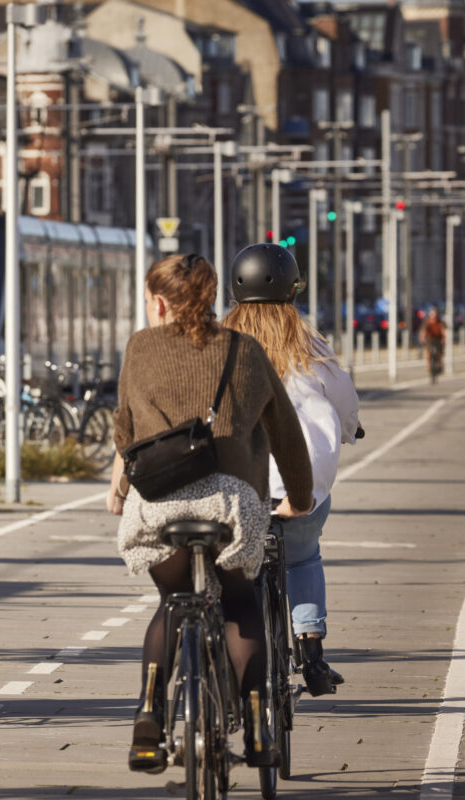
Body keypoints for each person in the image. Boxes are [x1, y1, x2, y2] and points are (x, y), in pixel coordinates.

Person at [107, 253, 313, 773]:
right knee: (241, 605)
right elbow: (285, 431)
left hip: (161, 503)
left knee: (173, 600)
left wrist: (123, 485)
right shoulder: (243, 349)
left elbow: (125, 430)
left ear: (158, 301)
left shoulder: (140, 347)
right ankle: (260, 726)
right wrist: (302, 496)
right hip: (232, 503)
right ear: (212, 296)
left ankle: (150, 714)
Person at [221, 244, 361, 697]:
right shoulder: (309, 343)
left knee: (229, 566)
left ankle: (228, 651)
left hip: (236, 488)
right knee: (303, 556)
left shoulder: (219, 342)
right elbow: (343, 398)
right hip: (301, 489)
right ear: (293, 289)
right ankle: (312, 653)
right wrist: (350, 428)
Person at [419, 307, 446, 382]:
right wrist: (422, 338)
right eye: (432, 314)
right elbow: (423, 331)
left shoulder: (440, 322)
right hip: (430, 339)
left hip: (438, 339)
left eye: (434, 314)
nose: (433, 316)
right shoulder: (427, 322)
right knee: (428, 351)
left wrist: (444, 338)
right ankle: (428, 364)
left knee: (440, 353)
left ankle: (440, 363)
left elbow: (443, 330)